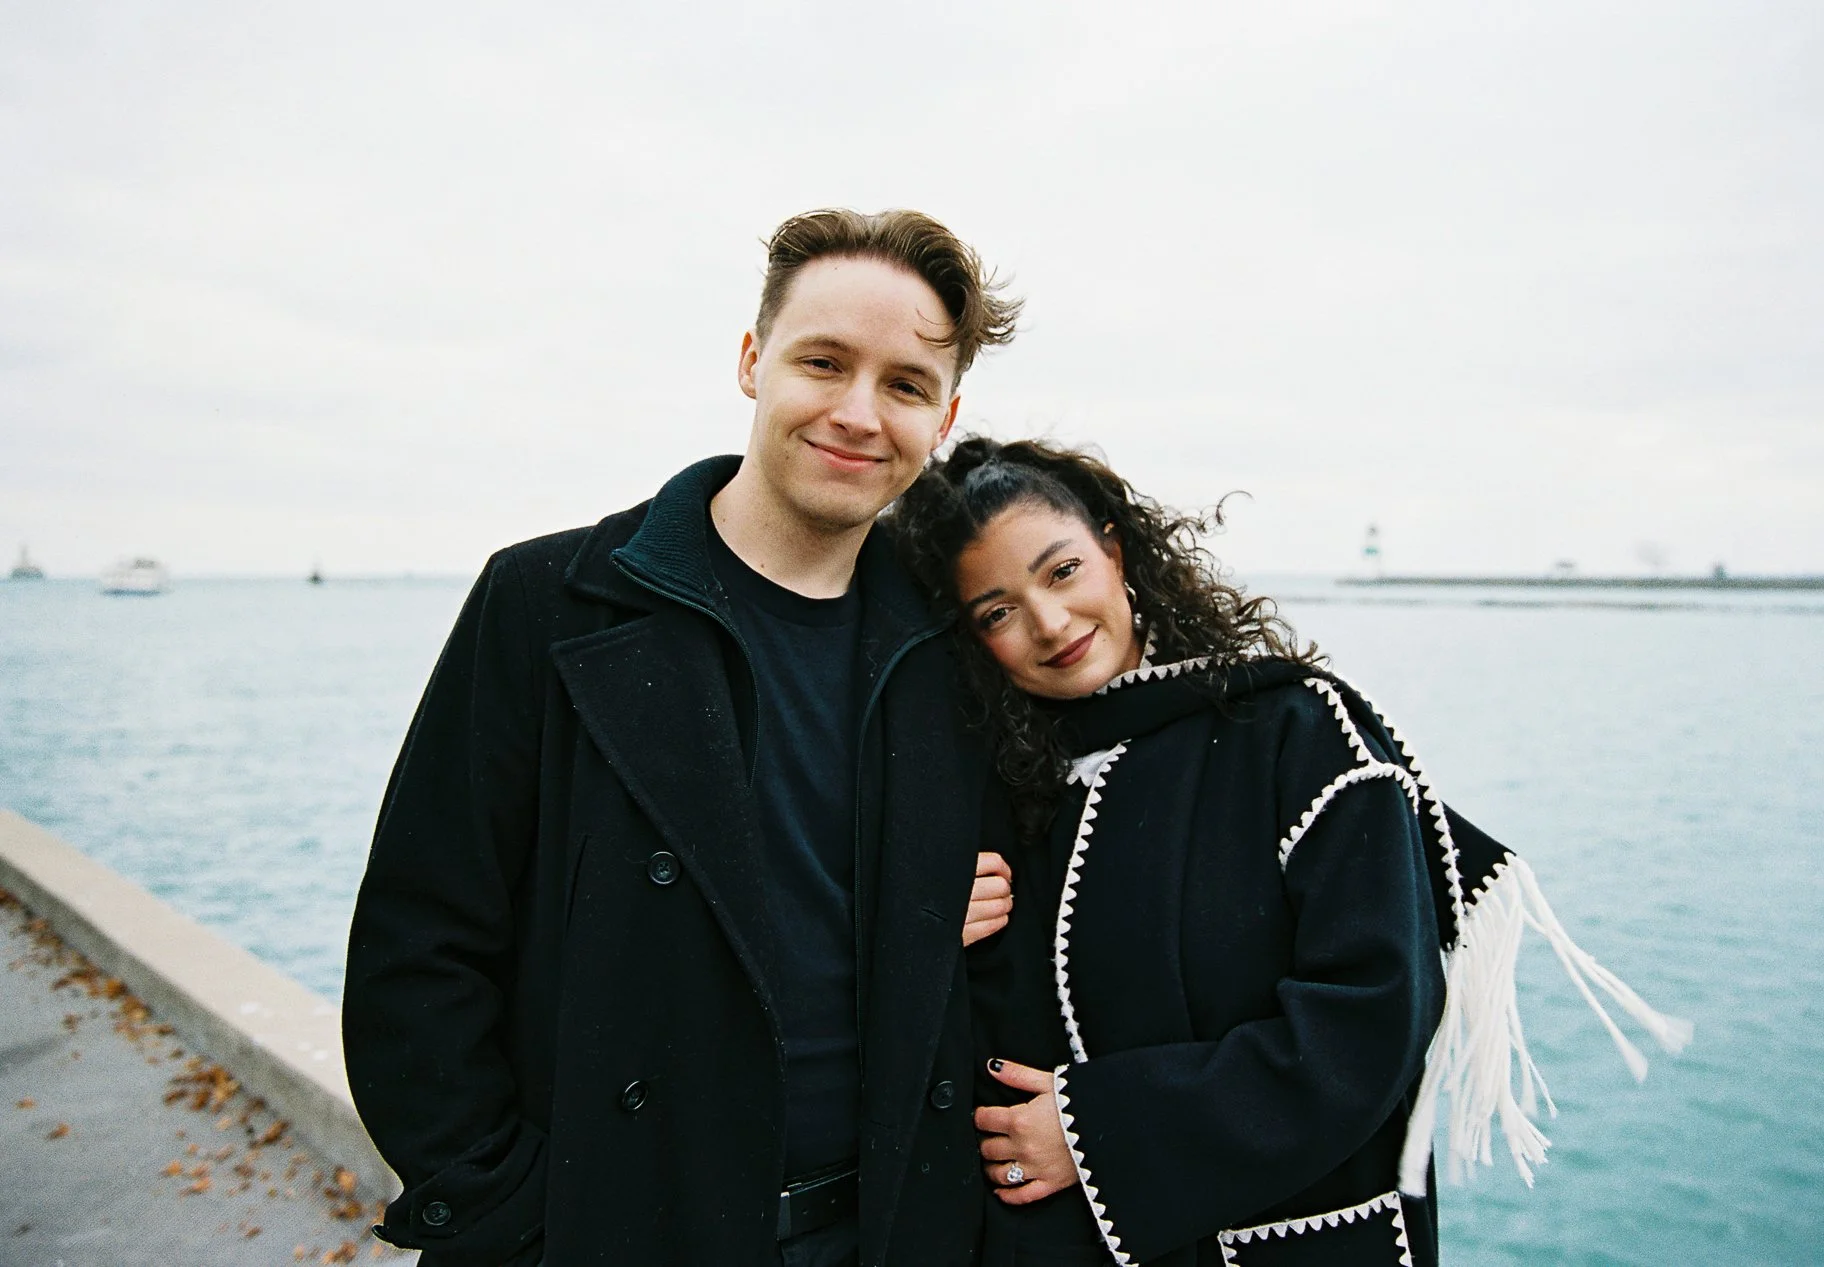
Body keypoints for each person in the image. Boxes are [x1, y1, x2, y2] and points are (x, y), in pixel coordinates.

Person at [341, 209, 1022, 1267]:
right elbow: (419, 946)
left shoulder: (953, 646)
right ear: (753, 362)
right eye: (823, 362)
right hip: (614, 1233)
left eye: (903, 384)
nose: (857, 411)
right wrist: (514, 1215)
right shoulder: (549, 603)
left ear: (945, 414)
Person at [896, 438, 1692, 1266]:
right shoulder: (987, 793)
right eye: (996, 611)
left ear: (1114, 548)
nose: (1049, 622)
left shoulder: (1295, 732)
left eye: (1062, 571)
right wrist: (924, 935)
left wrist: (1098, 1133)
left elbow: (1375, 1016)